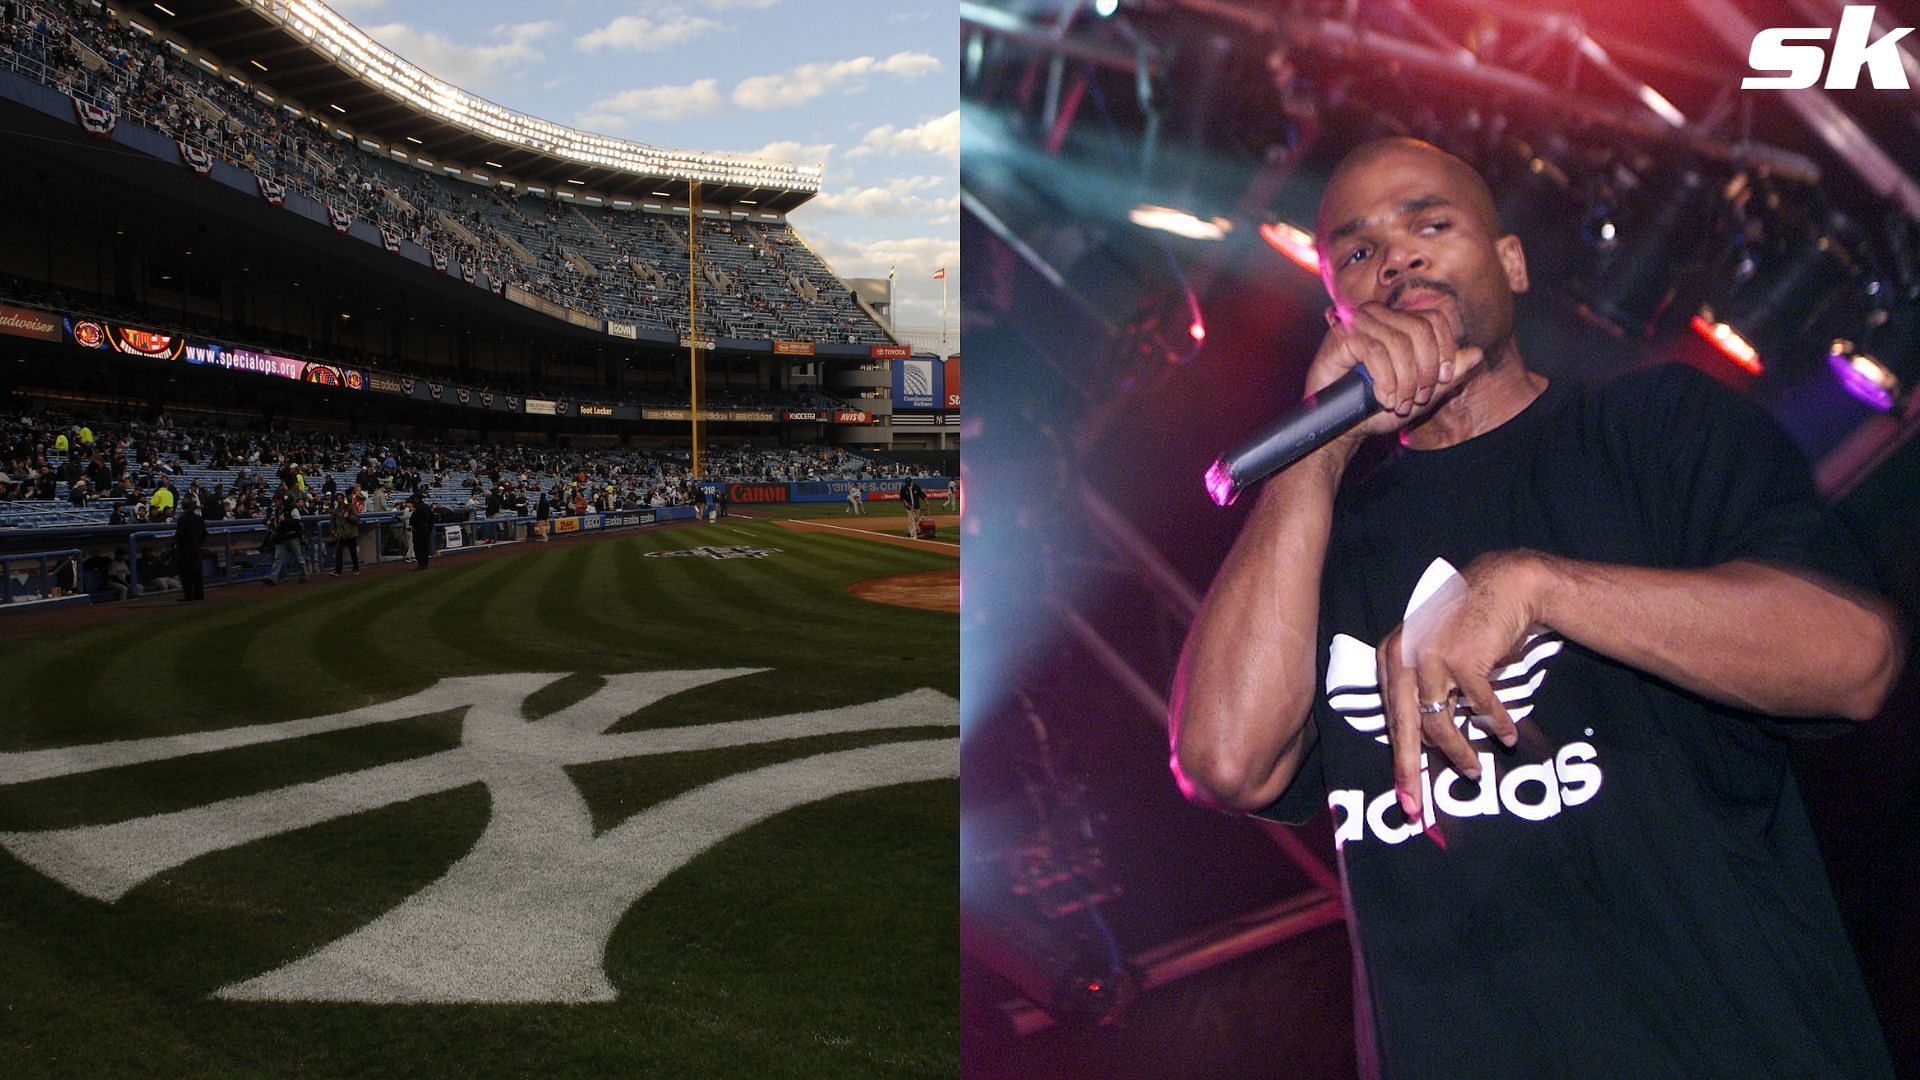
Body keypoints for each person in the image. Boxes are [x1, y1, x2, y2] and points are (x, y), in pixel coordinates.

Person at [1168, 137, 1906, 1077]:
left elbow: (1854, 662)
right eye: (1358, 252)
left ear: (1511, 262)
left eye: (1431, 224)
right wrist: (1314, 461)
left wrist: (1536, 585)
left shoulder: (1652, 429)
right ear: (1337, 312)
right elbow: (1224, 762)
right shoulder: (1316, 547)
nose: (1397, 257)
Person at [263, 494, 309, 585]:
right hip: (281, 537)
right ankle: (274, 577)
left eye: (277, 500)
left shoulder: (292, 509)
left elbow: (297, 521)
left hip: (292, 536)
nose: (275, 502)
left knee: (299, 557)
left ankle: (304, 575)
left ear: (281, 501)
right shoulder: (277, 510)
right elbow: (274, 522)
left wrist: (285, 520)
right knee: (278, 557)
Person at [173, 496, 206, 602]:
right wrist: (198, 544)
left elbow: (180, 535)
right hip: (196, 548)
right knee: (197, 573)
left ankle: (189, 595)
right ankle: (199, 593)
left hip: (185, 550)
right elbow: (205, 534)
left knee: (186, 574)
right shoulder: (199, 518)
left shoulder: (182, 519)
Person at [329, 488, 360, 576]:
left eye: (341, 499)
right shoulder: (335, 511)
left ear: (343, 499)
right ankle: (338, 571)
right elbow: (332, 523)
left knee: (353, 553)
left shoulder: (349, 507)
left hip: (350, 534)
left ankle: (356, 568)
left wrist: (349, 516)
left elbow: (357, 519)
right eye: (338, 499)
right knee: (339, 553)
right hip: (341, 535)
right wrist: (333, 532)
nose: (339, 500)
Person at [410, 493, 435, 570]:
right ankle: (424, 564)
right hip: (426, 529)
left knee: (419, 548)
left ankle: (421, 564)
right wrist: (429, 529)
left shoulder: (418, 508)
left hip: (419, 530)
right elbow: (431, 519)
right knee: (425, 547)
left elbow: (413, 520)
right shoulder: (426, 506)